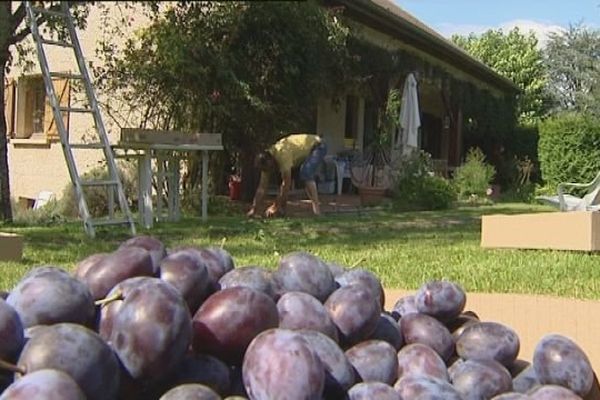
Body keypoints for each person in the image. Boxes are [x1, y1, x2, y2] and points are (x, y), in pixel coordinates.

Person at [247, 133, 327, 218]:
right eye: (266, 170)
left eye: (269, 168)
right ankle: (282, 211)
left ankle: (317, 212)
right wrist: (254, 209)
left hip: (318, 146)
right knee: (290, 179)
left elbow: (286, 183)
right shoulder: (265, 163)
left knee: (305, 173)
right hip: (300, 155)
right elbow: (262, 188)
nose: (269, 171)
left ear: (270, 160)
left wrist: (275, 206)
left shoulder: (282, 155)